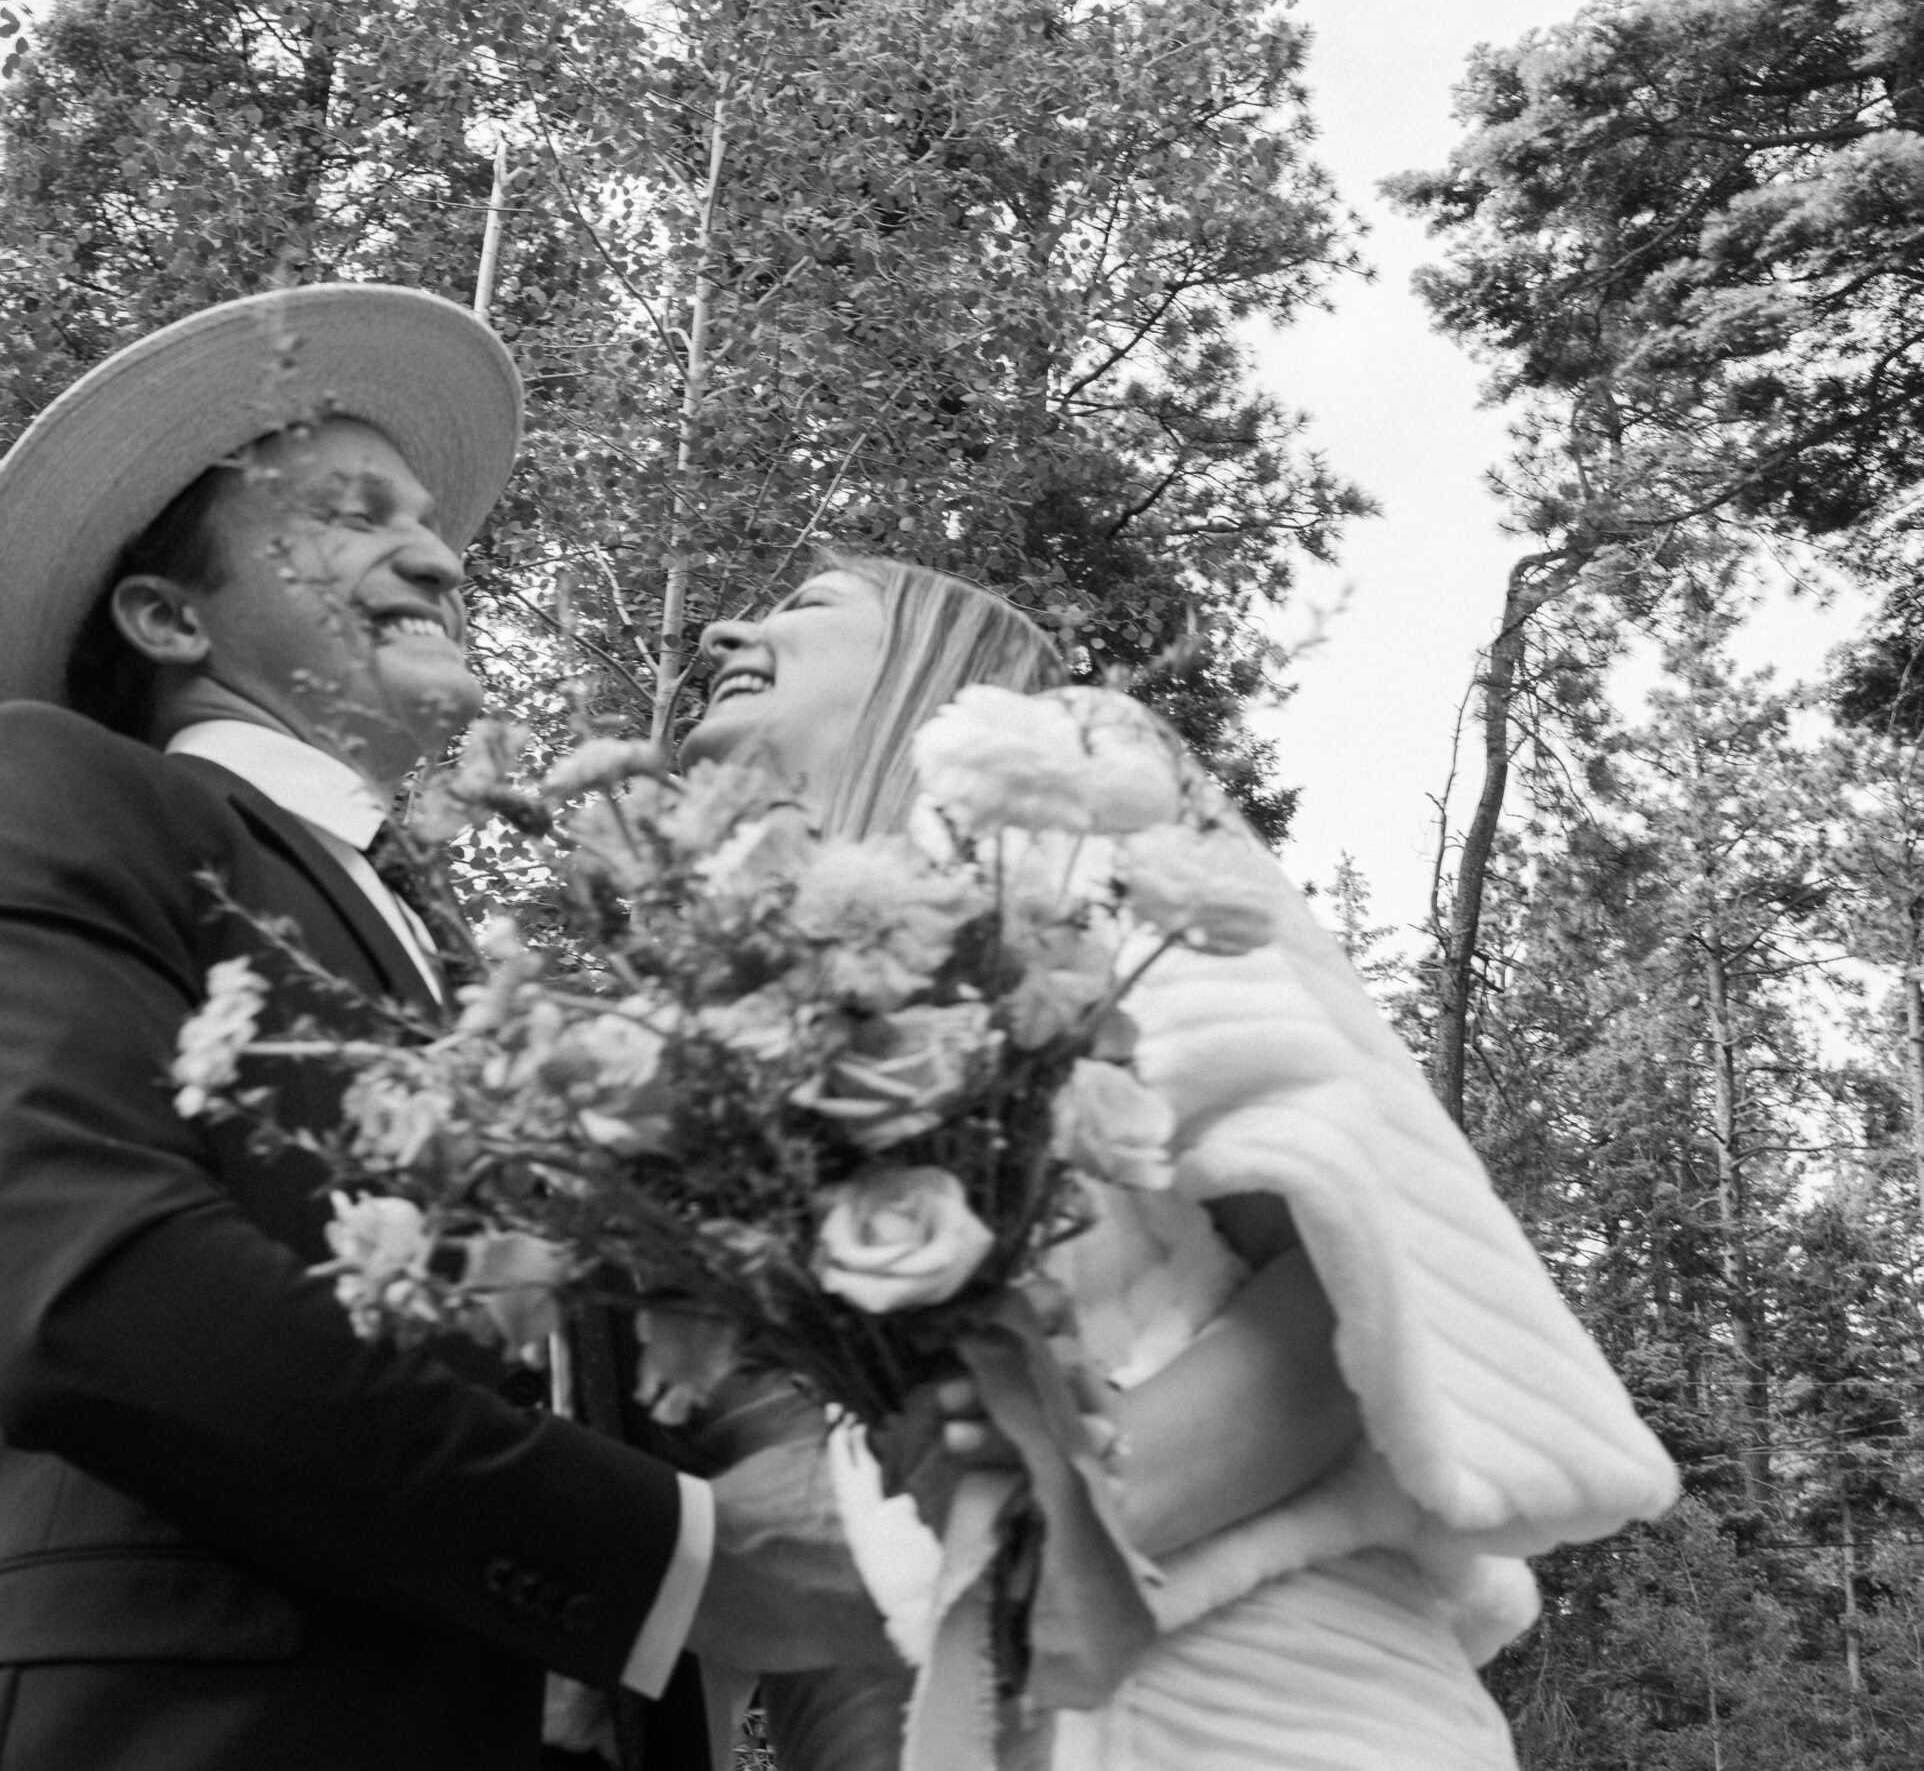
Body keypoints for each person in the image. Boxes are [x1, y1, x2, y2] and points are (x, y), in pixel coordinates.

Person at [0, 286, 869, 1771]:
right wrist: (669, 1558)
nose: (441, 555)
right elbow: (78, 1275)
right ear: (167, 617)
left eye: (424, 516)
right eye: (351, 515)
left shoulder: (477, 974)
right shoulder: (65, 793)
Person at [680, 556, 1681, 1771]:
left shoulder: (1059, 797)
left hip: (1249, 1715)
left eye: (807, 605)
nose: (728, 626)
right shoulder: (759, 1029)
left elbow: (1339, 1321)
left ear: (938, 666)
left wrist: (923, 1547)